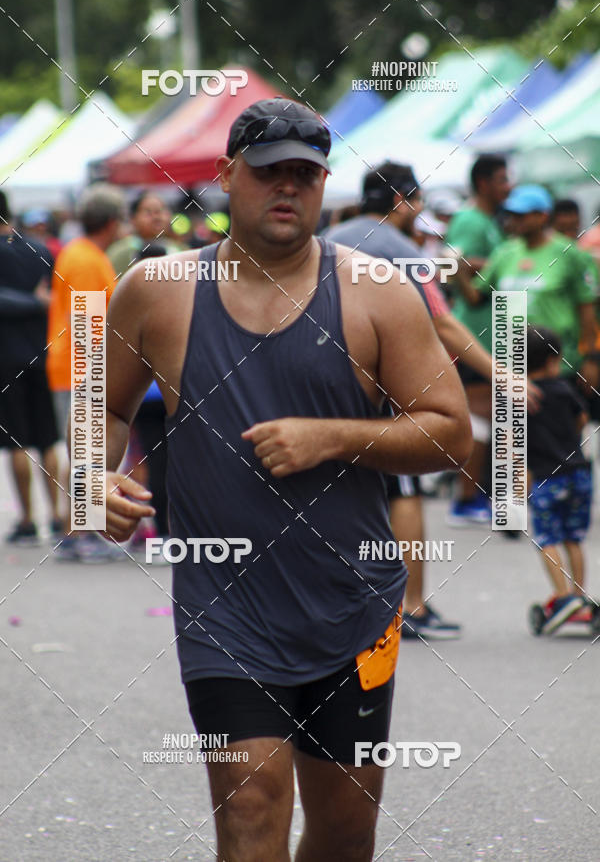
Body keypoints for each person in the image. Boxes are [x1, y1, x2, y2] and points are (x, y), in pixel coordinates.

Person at [100, 98, 472, 860]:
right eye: (270, 173)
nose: (288, 189)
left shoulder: (377, 290)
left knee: (344, 832)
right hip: (224, 608)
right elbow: (96, 412)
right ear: (226, 175)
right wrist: (87, 483)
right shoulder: (154, 289)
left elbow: (451, 432)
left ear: (325, 184)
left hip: (353, 607)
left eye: (305, 175)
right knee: (252, 809)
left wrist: (332, 437)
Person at [324, 161, 495, 640]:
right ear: (401, 200)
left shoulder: (331, 237)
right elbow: (441, 323)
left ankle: (350, 598)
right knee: (404, 491)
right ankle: (409, 606)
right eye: (416, 201)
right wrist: (498, 371)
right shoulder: (400, 250)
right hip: (380, 390)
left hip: (319, 388)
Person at [455, 184, 599, 392]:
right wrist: (459, 271)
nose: (514, 220)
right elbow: (476, 299)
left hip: (559, 368)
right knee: (513, 425)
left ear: (542, 216)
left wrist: (592, 360)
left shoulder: (570, 254)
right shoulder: (504, 254)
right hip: (513, 370)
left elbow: (587, 311)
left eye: (521, 215)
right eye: (511, 214)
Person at [47, 184, 124, 560]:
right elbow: (88, 323)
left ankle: (74, 532)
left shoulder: (80, 253)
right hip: (82, 368)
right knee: (87, 453)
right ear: (112, 223)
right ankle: (82, 535)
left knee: (82, 452)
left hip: (73, 366)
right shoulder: (88, 260)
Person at [446, 154, 511, 524]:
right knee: (481, 418)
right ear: (484, 183)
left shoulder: (489, 221)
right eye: (503, 179)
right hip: (474, 335)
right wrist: (494, 266)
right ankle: (466, 499)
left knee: (490, 417)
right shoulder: (470, 219)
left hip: (490, 334)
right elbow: (450, 261)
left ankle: (480, 495)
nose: (508, 186)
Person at [0, 191, 61, 543]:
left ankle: (26, 520)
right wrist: (35, 304)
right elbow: (51, 299)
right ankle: (54, 515)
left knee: (17, 442)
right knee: (47, 438)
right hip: (42, 353)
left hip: (5, 359)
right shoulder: (40, 249)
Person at [526, 326, 592, 633]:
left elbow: (515, 442)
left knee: (547, 538)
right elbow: (581, 419)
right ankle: (580, 597)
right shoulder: (567, 389)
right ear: (556, 360)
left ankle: (564, 598)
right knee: (573, 537)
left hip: (546, 479)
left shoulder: (524, 397)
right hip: (578, 474)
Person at [107, 190, 180, 278]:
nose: (156, 217)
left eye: (160, 210)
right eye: (148, 212)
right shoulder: (120, 253)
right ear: (133, 219)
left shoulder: (180, 250)